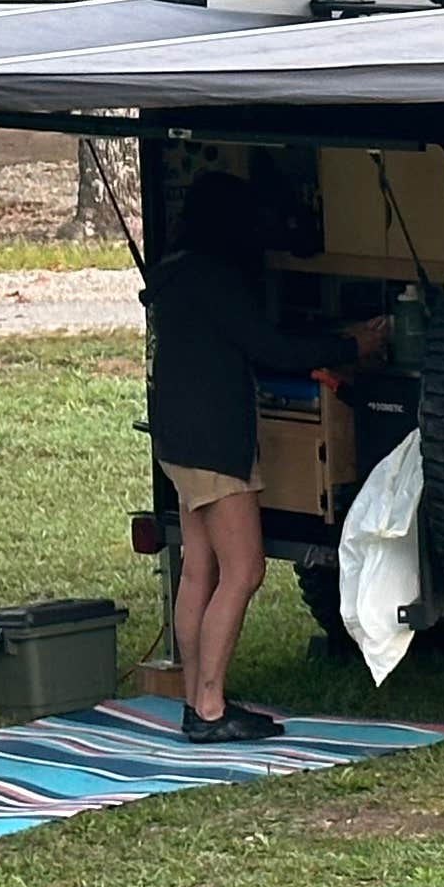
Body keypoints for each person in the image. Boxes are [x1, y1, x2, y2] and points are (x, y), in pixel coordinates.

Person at [147, 175, 383, 741]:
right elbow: (272, 348)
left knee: (199, 568)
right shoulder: (218, 278)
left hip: (176, 437)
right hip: (214, 441)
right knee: (244, 570)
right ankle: (209, 708)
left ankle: (194, 698)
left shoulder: (175, 271)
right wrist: (353, 346)